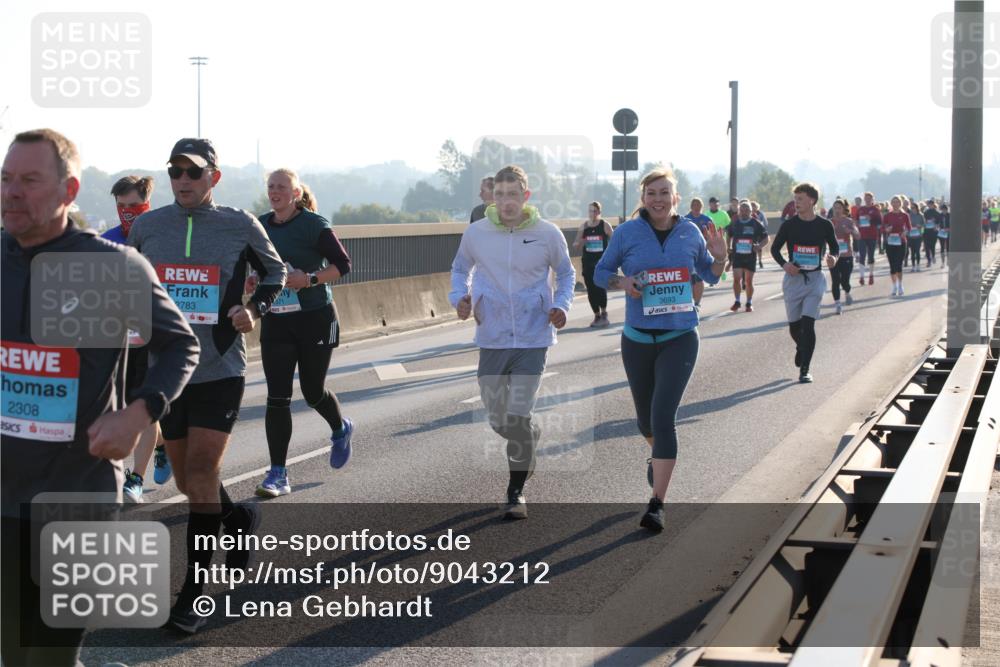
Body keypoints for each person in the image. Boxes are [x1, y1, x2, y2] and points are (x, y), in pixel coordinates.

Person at [2, 128, 199, 666]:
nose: (12, 192)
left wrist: (138, 414)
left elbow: (181, 346)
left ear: (68, 189)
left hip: (75, 494)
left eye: (29, 181)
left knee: (47, 655)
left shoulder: (113, 266)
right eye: (5, 180)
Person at [129, 137, 288, 633]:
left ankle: (192, 595)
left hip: (220, 366)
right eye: (175, 172)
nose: (182, 181)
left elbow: (275, 271)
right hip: (165, 370)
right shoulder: (149, 227)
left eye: (193, 173)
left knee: (200, 473)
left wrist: (253, 309)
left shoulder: (239, 224)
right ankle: (237, 521)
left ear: (212, 178)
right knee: (186, 481)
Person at [594, 167, 727, 532]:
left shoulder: (690, 232)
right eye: (652, 192)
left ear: (676, 198)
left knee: (664, 417)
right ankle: (658, 455)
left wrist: (719, 256)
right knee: (645, 421)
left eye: (664, 192)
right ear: (643, 197)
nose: (658, 198)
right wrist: (623, 281)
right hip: (637, 338)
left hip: (680, 336)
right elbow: (599, 273)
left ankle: (657, 503)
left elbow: (711, 274)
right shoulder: (626, 233)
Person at [450, 165, 574, 521]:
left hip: (534, 337)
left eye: (513, 195)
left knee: (517, 414)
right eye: (500, 194)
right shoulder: (477, 234)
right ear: (492, 196)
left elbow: (566, 273)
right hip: (492, 335)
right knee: (498, 419)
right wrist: (460, 297)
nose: (506, 202)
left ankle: (515, 491)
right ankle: (529, 432)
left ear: (526, 196)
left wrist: (560, 305)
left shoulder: (547, 234)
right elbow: (460, 269)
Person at [251, 168, 353, 497]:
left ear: (296, 193)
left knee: (312, 392)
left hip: (315, 318)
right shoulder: (260, 226)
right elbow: (251, 266)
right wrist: (252, 283)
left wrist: (308, 279)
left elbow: (343, 265)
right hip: (277, 320)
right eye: (271, 186)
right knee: (277, 398)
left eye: (282, 187)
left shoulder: (314, 225)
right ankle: (277, 473)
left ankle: (340, 429)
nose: (275, 191)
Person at [101, 175, 171, 501]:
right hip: (118, 339)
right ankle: (164, 445)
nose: (127, 212)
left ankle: (135, 480)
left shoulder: (162, 236)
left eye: (134, 206)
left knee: (146, 409)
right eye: (121, 206)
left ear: (147, 203)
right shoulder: (107, 240)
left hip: (156, 338)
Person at [770, 182, 838, 384]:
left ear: (812, 200)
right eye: (795, 199)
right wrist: (785, 264)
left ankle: (805, 370)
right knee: (794, 327)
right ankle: (801, 347)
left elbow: (835, 248)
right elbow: (775, 250)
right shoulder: (789, 225)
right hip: (793, 280)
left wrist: (834, 258)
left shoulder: (825, 225)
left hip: (815, 279)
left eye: (800, 199)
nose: (796, 203)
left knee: (808, 325)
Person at [572, 200, 613, 327]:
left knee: (600, 287)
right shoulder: (584, 226)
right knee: (591, 289)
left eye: (595, 211)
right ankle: (596, 315)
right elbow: (575, 244)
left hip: (601, 263)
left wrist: (613, 256)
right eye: (590, 211)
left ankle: (604, 313)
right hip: (588, 263)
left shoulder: (605, 225)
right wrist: (580, 243)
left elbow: (616, 241)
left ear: (599, 212)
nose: (592, 213)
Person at [726, 199, 769, 313]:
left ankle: (749, 302)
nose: (744, 212)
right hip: (738, 256)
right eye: (742, 210)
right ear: (739, 211)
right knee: (736, 279)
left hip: (750, 256)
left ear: (751, 211)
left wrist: (759, 246)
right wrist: (728, 246)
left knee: (748, 281)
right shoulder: (735, 223)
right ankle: (737, 301)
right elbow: (728, 235)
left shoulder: (756, 223)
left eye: (747, 210)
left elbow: (766, 238)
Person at [829, 200, 860, 315]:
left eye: (839, 208)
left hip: (846, 255)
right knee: (835, 280)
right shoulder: (829, 222)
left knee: (844, 281)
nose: (836, 210)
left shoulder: (848, 221)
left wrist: (851, 231)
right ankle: (837, 304)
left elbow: (858, 235)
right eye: (835, 207)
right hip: (833, 257)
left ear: (843, 209)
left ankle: (847, 292)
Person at [682, 197, 714, 308]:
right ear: (691, 206)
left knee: (699, 278)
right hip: (688, 252)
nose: (696, 207)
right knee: (689, 278)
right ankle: (689, 301)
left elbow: (712, 236)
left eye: (699, 205)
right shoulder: (685, 219)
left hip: (702, 252)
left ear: (702, 207)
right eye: (694, 205)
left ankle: (697, 303)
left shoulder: (706, 219)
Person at [881, 195, 912, 296]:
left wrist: (905, 232)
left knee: (899, 265)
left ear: (900, 203)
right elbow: (882, 228)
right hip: (890, 242)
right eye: (893, 202)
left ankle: (900, 285)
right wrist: (886, 230)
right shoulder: (887, 215)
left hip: (901, 242)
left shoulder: (905, 215)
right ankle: (894, 286)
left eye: (897, 202)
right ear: (891, 203)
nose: (895, 204)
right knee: (892, 266)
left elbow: (909, 228)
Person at [853, 191, 882, 286]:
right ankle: (861, 277)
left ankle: (871, 275)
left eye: (869, 198)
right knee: (862, 255)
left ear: (872, 199)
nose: (868, 200)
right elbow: (856, 220)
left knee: (871, 256)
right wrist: (856, 224)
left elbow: (879, 222)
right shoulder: (860, 209)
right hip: (862, 236)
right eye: (866, 198)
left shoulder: (875, 209)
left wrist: (871, 219)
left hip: (872, 236)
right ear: (864, 199)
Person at [906, 199, 924, 272]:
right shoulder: (909, 215)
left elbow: (924, 225)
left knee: (917, 251)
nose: (912, 209)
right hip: (910, 236)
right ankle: (913, 266)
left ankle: (918, 265)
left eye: (913, 207)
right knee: (912, 252)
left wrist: (920, 227)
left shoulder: (921, 215)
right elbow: (906, 225)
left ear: (917, 208)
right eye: (911, 207)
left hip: (918, 236)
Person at [922, 200, 940, 267]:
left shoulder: (937, 213)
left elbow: (939, 222)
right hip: (926, 231)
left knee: (932, 246)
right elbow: (923, 221)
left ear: (933, 204)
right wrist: (925, 223)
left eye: (931, 204)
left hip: (934, 231)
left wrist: (936, 225)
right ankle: (928, 261)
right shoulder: (925, 212)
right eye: (929, 204)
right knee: (927, 246)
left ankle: (933, 256)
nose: (930, 205)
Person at [750, 200, 768, 268]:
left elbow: (765, 223)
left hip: (759, 232)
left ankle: (760, 260)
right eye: (752, 206)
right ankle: (753, 260)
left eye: (754, 206)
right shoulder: (748, 214)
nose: (753, 208)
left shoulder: (761, 214)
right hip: (751, 233)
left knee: (759, 247)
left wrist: (762, 228)